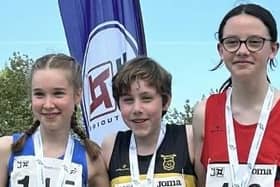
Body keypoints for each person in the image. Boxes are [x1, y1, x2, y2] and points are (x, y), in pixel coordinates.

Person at [192, 3, 280, 187]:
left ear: (273, 49)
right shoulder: (204, 112)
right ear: (221, 50)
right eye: (232, 42)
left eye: (254, 42)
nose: (242, 51)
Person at [0, 53, 109, 187]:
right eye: (39, 94)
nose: (48, 104)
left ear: (77, 95)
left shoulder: (92, 160)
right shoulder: (7, 149)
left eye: (58, 93)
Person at [101, 56, 196, 186]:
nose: (137, 109)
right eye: (128, 100)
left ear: (165, 101)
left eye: (146, 99)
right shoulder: (110, 145)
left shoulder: (189, 138)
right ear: (118, 104)